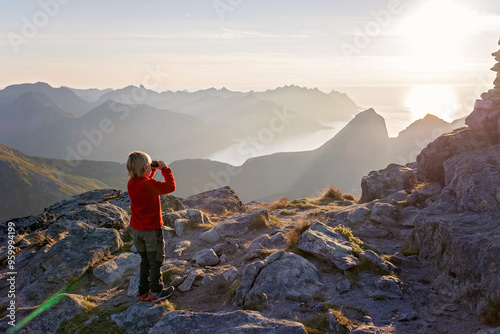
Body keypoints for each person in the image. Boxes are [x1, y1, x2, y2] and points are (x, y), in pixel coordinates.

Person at [126, 151, 176, 302]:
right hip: (151, 232)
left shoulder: (132, 183)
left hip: (137, 232)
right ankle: (156, 292)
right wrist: (165, 169)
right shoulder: (149, 185)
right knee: (155, 262)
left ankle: (144, 293)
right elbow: (170, 187)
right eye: (148, 165)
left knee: (145, 261)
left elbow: (145, 181)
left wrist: (152, 169)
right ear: (143, 169)